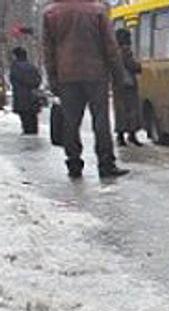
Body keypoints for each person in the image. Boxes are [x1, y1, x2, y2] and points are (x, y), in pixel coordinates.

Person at [42, 0, 129, 179]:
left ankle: (73, 163)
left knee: (71, 122)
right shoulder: (97, 10)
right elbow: (110, 45)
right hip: (96, 73)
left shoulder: (51, 13)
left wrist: (53, 78)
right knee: (101, 121)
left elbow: (48, 49)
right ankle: (106, 164)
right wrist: (118, 74)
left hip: (66, 74)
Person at [113, 28, 143, 147]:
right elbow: (132, 65)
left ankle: (120, 136)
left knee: (120, 111)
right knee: (132, 110)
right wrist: (139, 66)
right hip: (128, 85)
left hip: (117, 85)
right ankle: (132, 135)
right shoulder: (126, 51)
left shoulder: (113, 51)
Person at [9, 47, 43, 135]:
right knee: (33, 115)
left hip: (21, 95)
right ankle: (34, 131)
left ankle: (27, 132)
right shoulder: (32, 66)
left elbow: (15, 79)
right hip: (33, 95)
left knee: (25, 116)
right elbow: (38, 79)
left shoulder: (15, 66)